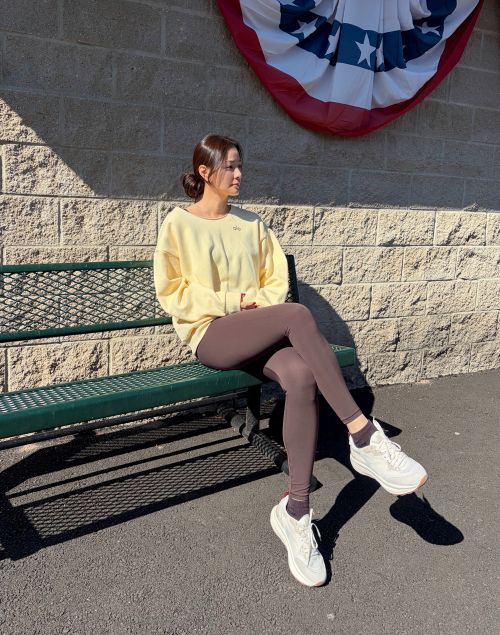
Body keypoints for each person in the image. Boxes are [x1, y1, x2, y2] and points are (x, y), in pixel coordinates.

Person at [153, 134, 428, 588]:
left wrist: (257, 307)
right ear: (205, 172)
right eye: (230, 166)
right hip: (212, 334)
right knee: (297, 315)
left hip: (259, 330)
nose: (239, 174)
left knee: (300, 375)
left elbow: (275, 281)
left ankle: (295, 511)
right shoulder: (178, 225)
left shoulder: (252, 223)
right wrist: (235, 302)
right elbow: (172, 292)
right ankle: (362, 434)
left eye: (241, 165)